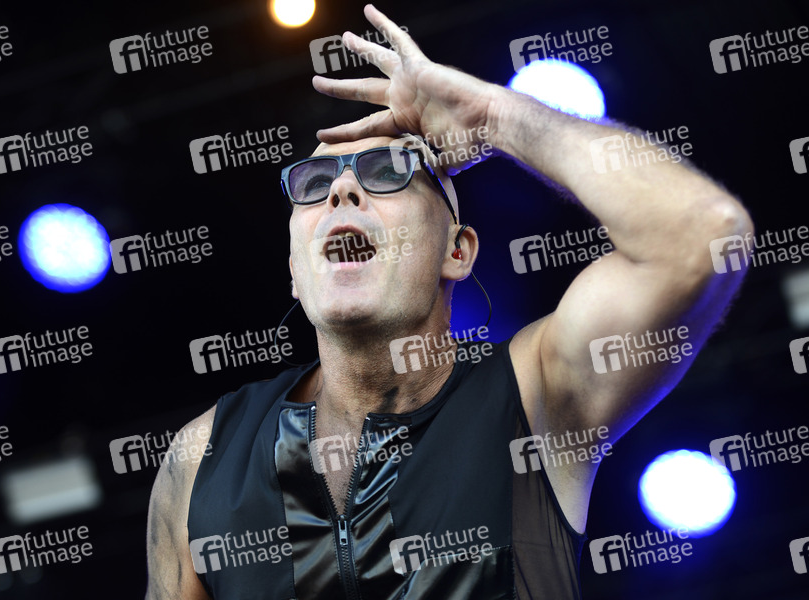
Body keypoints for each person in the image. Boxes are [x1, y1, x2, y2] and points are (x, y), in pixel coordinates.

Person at [145, 5, 753, 599]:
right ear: (294, 273)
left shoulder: (537, 393)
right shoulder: (203, 457)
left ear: (457, 251)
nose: (342, 191)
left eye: (388, 170)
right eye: (314, 183)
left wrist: (494, 117)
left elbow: (704, 235)